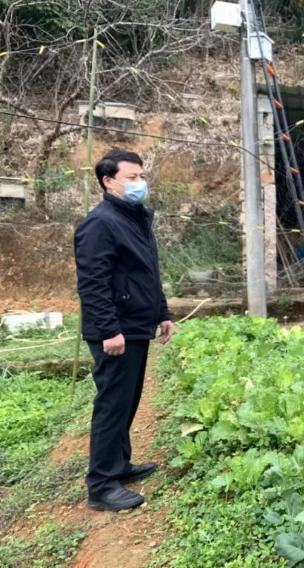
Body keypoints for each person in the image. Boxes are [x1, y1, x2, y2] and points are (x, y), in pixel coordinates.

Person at [74, 149, 175, 512]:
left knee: (127, 401)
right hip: (115, 331)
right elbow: (92, 282)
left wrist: (161, 313)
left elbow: (147, 272)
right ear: (108, 181)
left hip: (136, 325)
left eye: (140, 176)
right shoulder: (100, 222)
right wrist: (108, 330)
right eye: (131, 177)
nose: (139, 183)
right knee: (112, 405)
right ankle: (101, 485)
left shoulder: (133, 218)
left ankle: (119, 466)